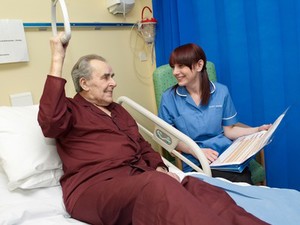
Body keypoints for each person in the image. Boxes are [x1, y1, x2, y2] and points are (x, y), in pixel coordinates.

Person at [38, 33, 269, 225]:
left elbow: (143, 146)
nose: (114, 82)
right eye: (106, 77)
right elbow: (50, 122)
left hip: (137, 180)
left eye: (113, 76)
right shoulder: (69, 110)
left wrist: (159, 166)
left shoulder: (118, 111)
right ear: (84, 84)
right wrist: (57, 58)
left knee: (196, 186)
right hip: (95, 189)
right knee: (159, 185)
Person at [158, 43, 271, 184]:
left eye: (181, 66)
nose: (175, 72)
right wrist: (197, 151)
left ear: (199, 65)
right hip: (195, 162)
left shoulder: (221, 92)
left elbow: (229, 131)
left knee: (243, 185)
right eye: (173, 67)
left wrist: (257, 130)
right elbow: (166, 138)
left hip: (227, 158)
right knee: (216, 194)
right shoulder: (169, 98)